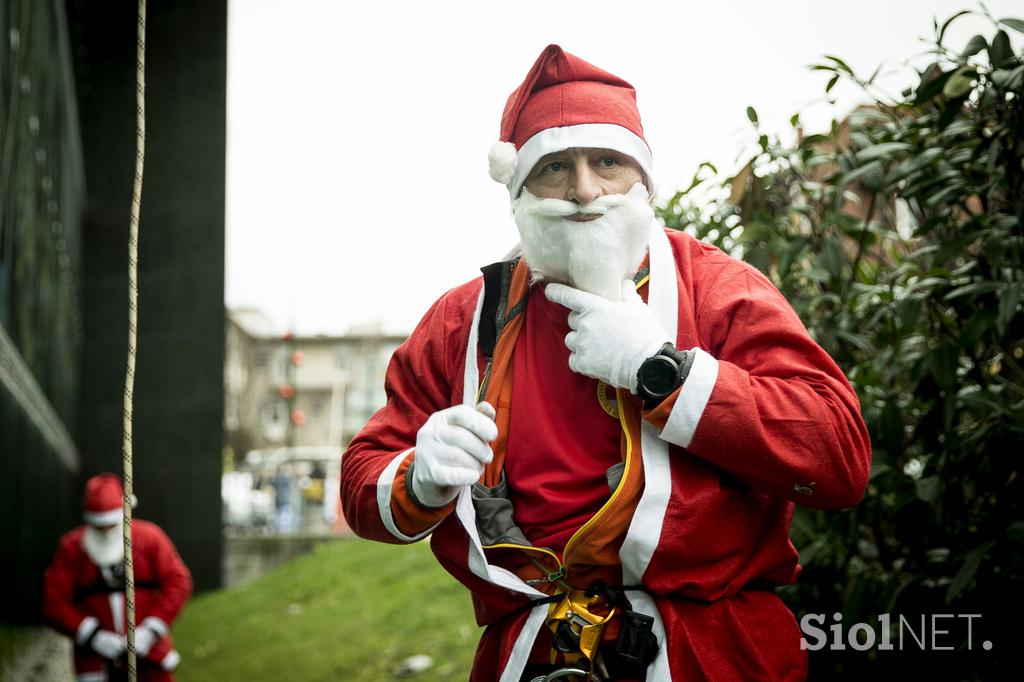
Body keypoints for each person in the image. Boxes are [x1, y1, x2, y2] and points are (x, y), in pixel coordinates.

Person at [340, 45, 871, 682]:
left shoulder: (720, 290)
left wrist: (663, 370)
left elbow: (838, 458)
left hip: (715, 652)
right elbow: (361, 481)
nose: (585, 190)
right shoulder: (462, 321)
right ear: (518, 189)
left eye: (608, 162)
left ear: (643, 180)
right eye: (555, 167)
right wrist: (416, 478)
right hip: (532, 656)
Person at [42, 473, 193, 682]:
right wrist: (91, 635)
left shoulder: (149, 538)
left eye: (111, 525)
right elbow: (53, 602)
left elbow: (178, 582)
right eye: (99, 526)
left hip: (150, 656)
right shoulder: (72, 548)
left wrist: (151, 630)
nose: (106, 532)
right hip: (95, 662)